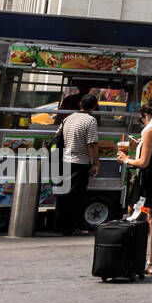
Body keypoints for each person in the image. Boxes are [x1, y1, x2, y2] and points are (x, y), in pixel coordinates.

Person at [116, 101, 152, 275]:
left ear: (147, 116)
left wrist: (125, 159)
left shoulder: (151, 130)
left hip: (148, 183)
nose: (143, 122)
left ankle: (132, 259)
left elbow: (143, 162)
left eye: (142, 119)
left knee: (134, 213)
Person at [54, 93, 100, 235]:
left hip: (64, 161)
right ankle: (69, 227)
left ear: (80, 104)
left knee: (63, 195)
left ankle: (59, 226)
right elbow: (92, 144)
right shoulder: (90, 120)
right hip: (79, 163)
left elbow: (57, 136)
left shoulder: (68, 118)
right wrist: (96, 163)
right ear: (94, 106)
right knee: (75, 197)